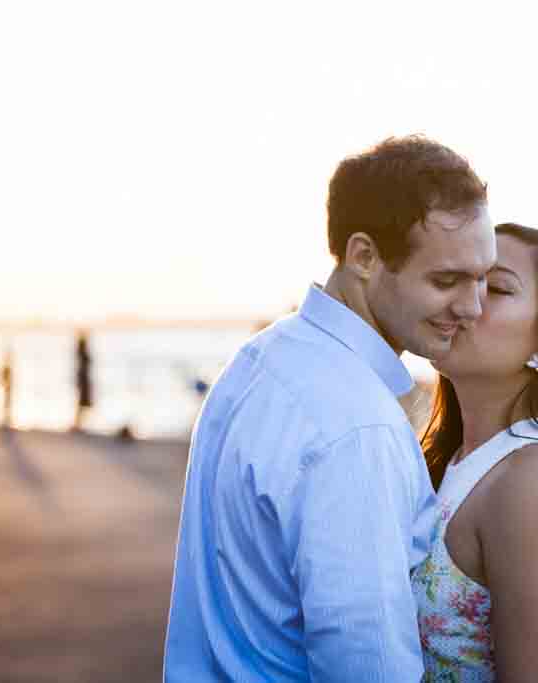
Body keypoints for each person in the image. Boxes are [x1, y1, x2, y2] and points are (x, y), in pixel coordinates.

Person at [163, 135, 496, 682]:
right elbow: (367, 665)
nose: (473, 306)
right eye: (446, 280)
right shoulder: (357, 425)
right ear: (364, 256)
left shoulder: (259, 360)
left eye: (483, 278)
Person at [414, 223, 538, 681]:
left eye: (497, 287)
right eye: (456, 279)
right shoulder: (456, 461)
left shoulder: (536, 478)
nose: (466, 301)